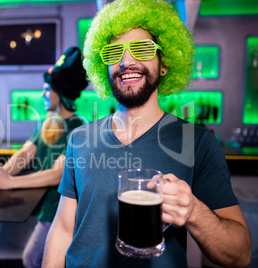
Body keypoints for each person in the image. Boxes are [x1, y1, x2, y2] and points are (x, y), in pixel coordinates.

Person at [42, 0, 252, 267]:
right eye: (113, 52)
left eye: (141, 49)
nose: (126, 61)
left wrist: (194, 212)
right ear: (102, 66)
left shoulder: (198, 143)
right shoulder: (80, 139)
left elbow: (241, 254)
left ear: (164, 64)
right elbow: (62, 228)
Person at [0, 47, 89, 268]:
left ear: (61, 93)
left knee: (33, 259)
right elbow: (25, 153)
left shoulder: (78, 126)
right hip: (46, 207)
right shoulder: (48, 123)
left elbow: (59, 174)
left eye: (47, 90)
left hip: (61, 209)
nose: (42, 95)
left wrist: (10, 182)